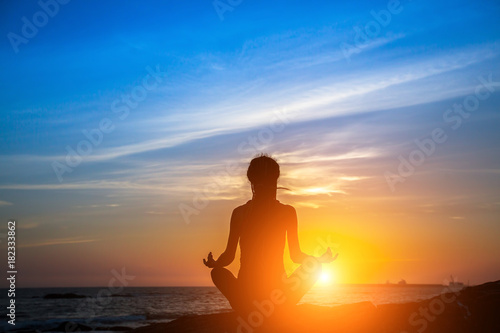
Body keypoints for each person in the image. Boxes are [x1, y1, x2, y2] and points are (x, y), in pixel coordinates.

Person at [203, 154, 337, 315]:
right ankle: (278, 310)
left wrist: (215, 263)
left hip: (247, 294)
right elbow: (296, 256)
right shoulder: (286, 212)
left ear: (251, 181)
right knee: (314, 268)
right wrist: (318, 260)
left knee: (217, 272)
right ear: (275, 180)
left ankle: (246, 308)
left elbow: (228, 256)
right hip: (278, 295)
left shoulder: (240, 213)